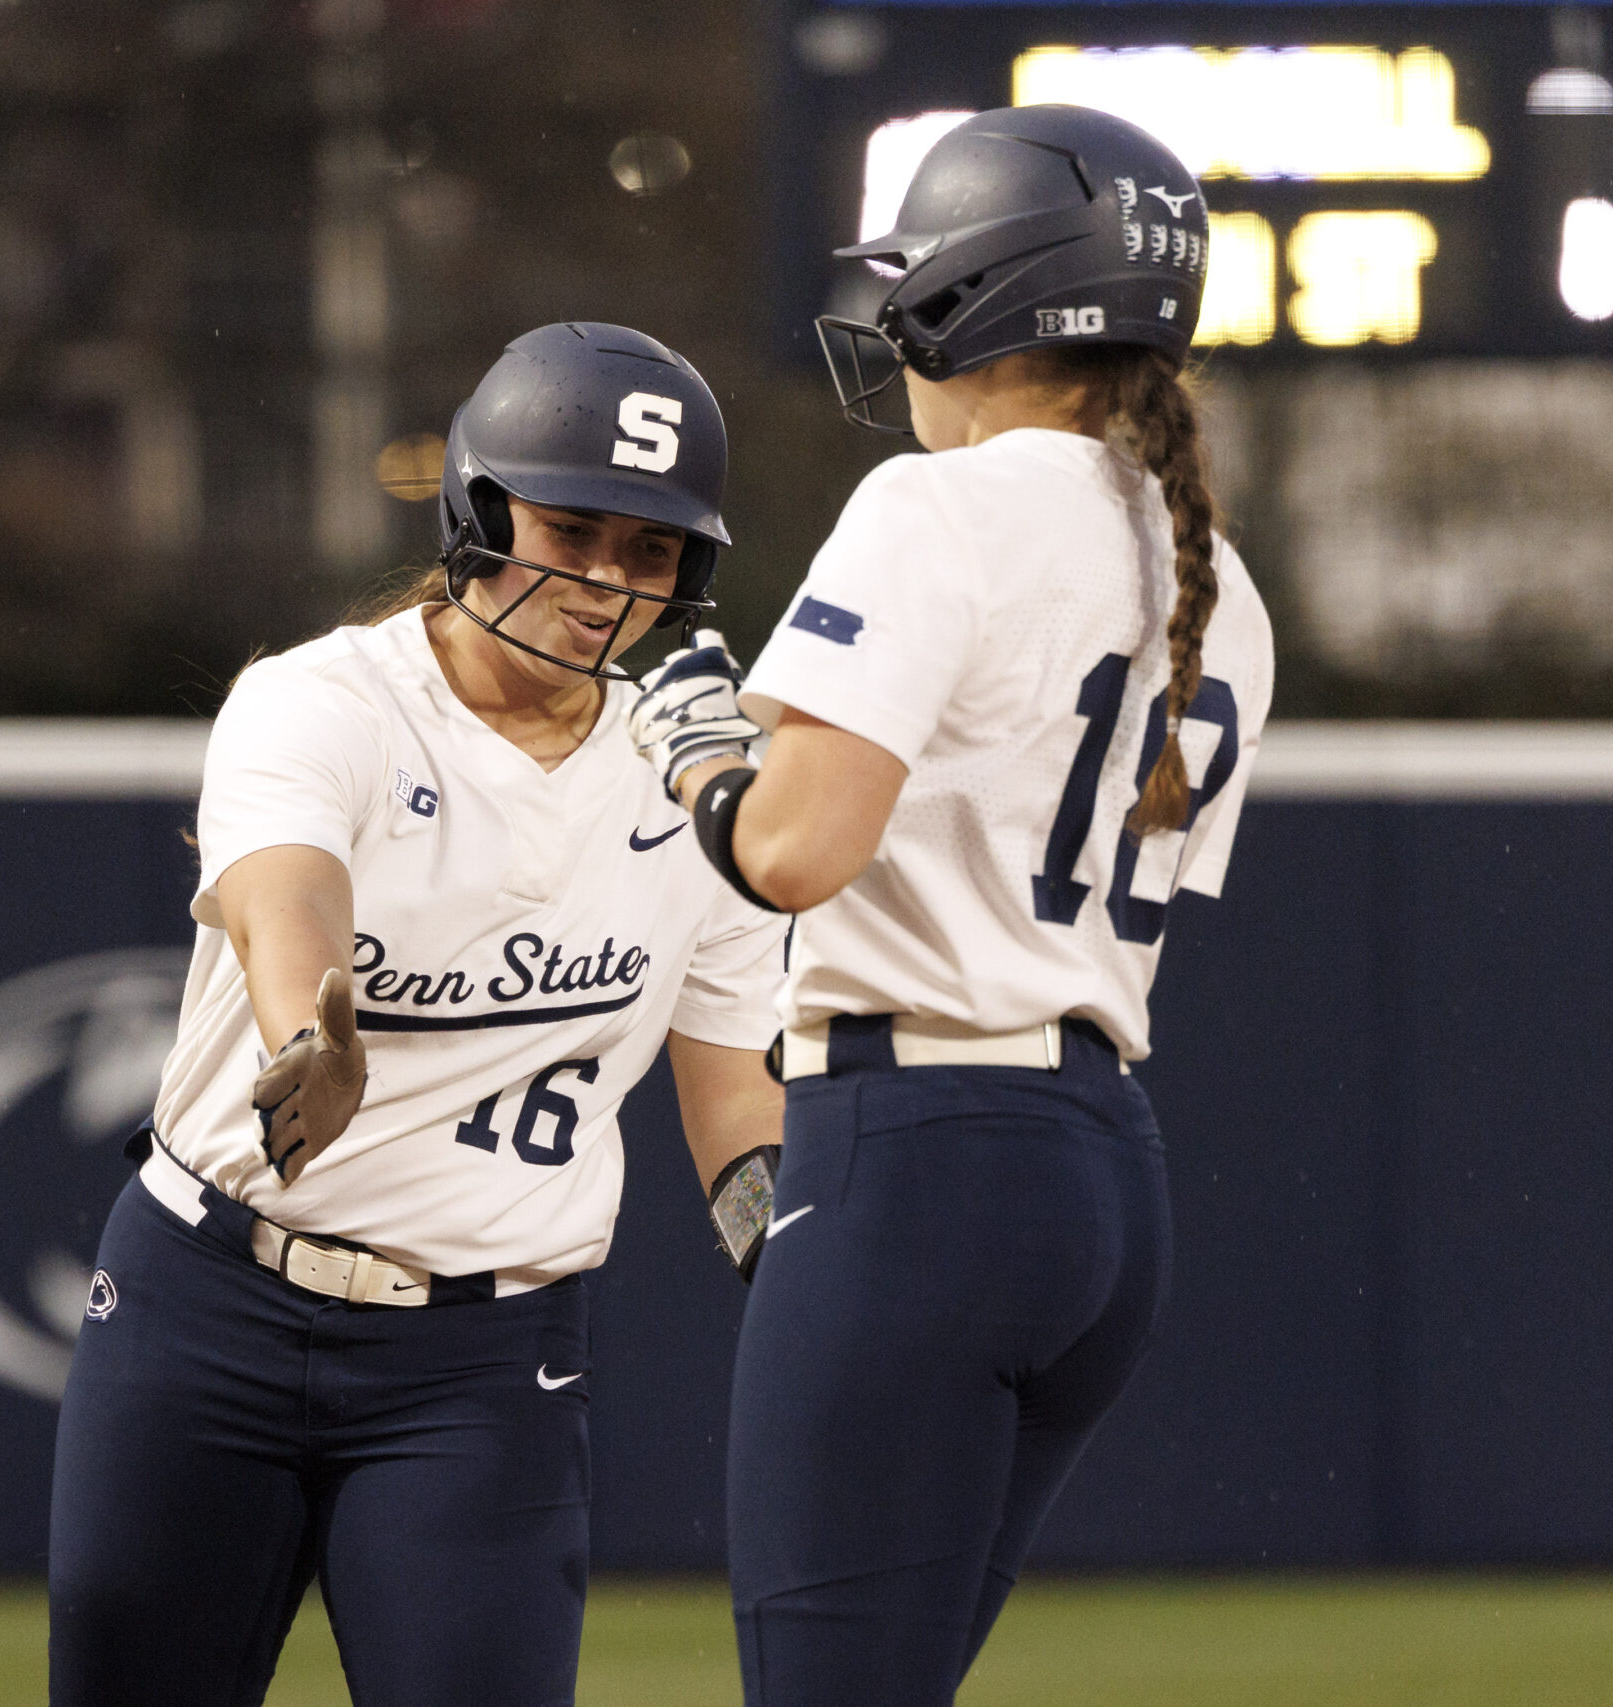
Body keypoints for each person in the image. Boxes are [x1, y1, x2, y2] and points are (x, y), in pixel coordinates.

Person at [625, 106, 1275, 1706]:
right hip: (1100, 1170)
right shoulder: (1219, 578)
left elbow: (792, 851)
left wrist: (699, 749)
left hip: (919, 1156)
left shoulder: (940, 505)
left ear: (980, 290)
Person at [47, 321, 788, 1707]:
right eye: (571, 529)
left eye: (651, 550)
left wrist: (790, 1243)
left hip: (484, 1358)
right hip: (208, 1304)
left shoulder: (693, 768)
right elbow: (284, 900)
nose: (606, 581)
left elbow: (736, 1082)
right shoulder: (325, 698)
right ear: (479, 511)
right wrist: (308, 1037)